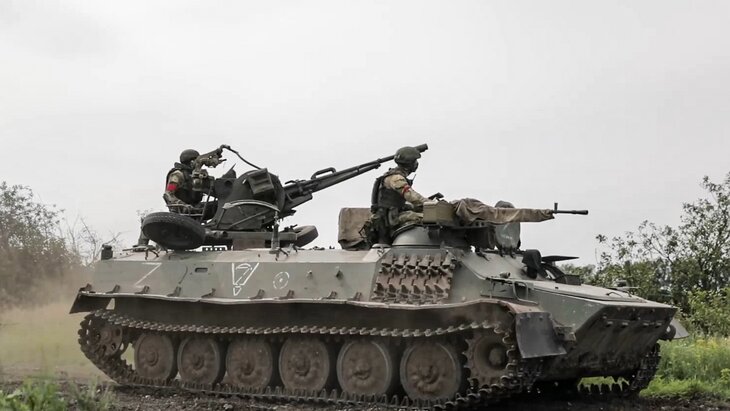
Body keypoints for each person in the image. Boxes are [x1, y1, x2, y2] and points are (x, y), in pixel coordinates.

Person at [368, 146, 427, 243]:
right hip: (391, 219)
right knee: (429, 218)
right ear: (410, 163)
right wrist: (431, 204)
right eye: (415, 161)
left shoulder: (393, 175)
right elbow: (412, 197)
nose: (417, 163)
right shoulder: (396, 178)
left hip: (392, 215)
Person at [163, 148, 217, 219]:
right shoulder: (178, 175)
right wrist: (182, 206)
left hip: (195, 208)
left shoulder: (193, 176)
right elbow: (168, 194)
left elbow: (210, 191)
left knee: (219, 205)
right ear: (192, 162)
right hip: (183, 211)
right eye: (197, 161)